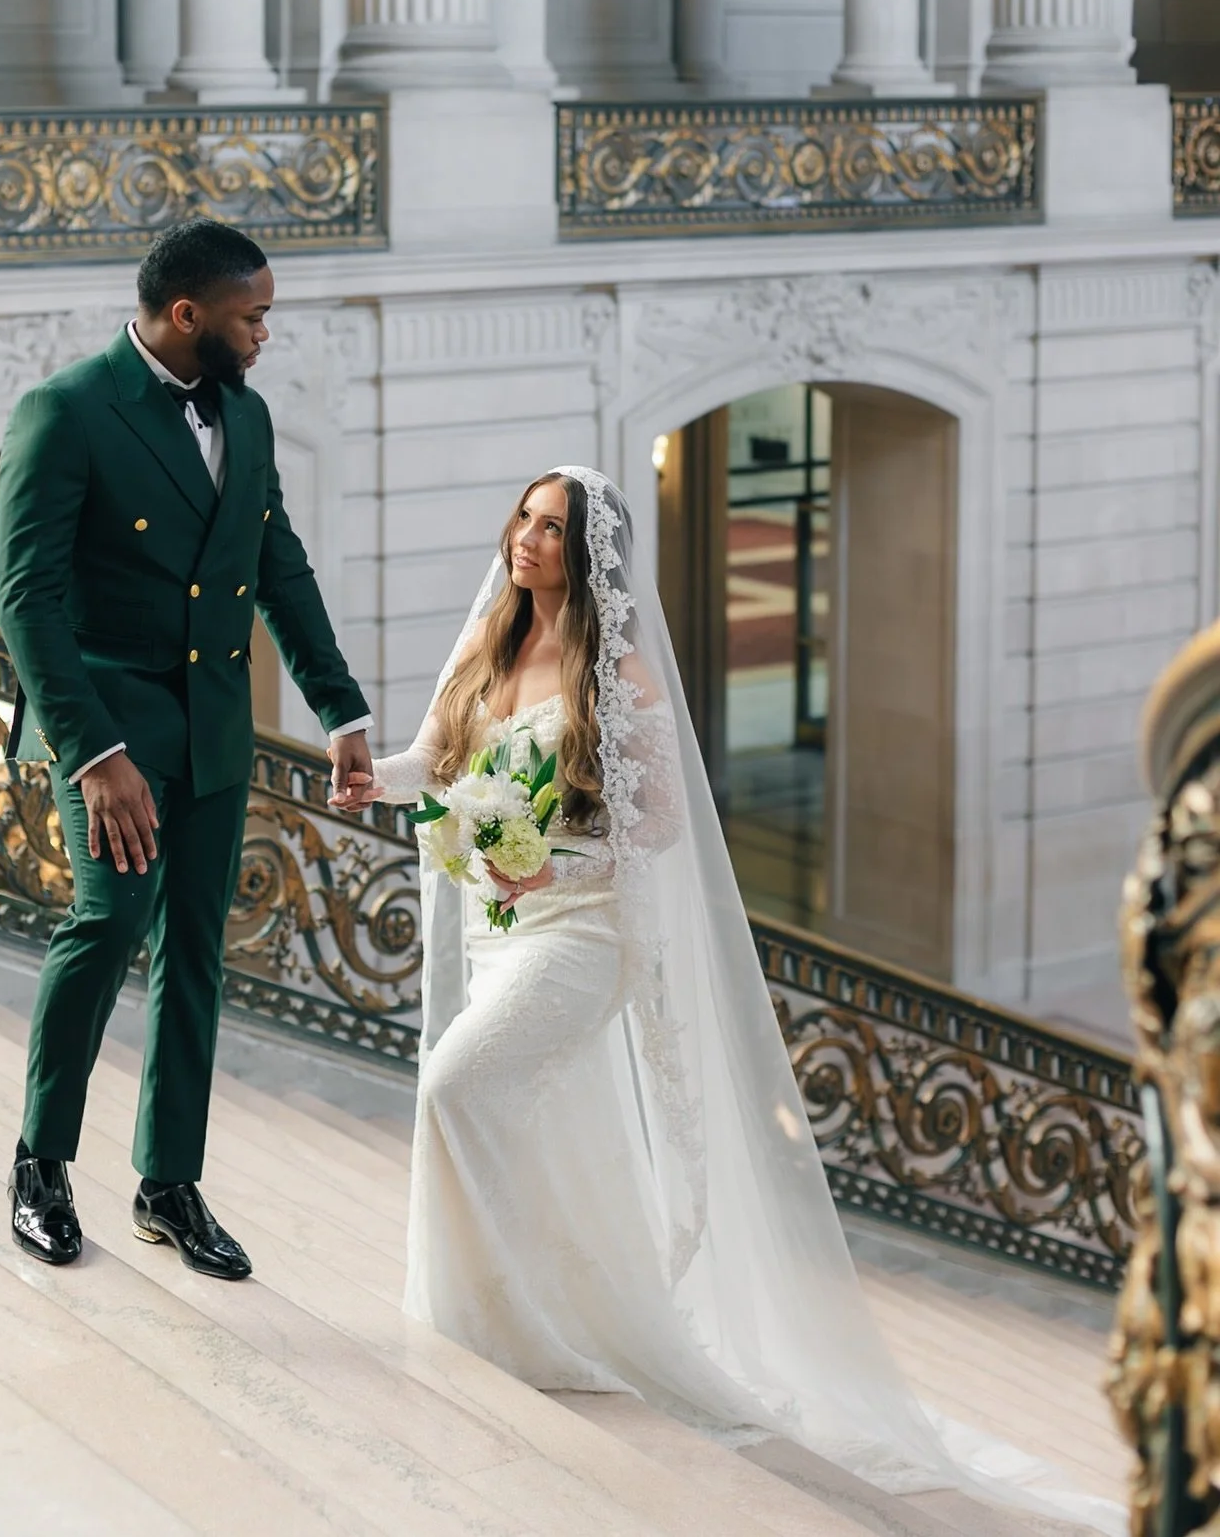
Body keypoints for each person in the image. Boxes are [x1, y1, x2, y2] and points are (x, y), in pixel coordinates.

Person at [335, 464, 1122, 1536]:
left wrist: (547, 870)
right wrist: (365, 777)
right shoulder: (487, 645)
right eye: (525, 519)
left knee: (455, 1087)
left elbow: (651, 830)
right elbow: (433, 761)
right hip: (498, 927)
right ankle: (527, 1311)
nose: (527, 540)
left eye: (554, 529)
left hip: (583, 932)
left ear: (592, 552)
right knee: (535, 1124)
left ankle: (518, 1325)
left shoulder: (617, 676)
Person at [0, 217, 374, 1277]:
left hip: (212, 727)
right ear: (185, 313)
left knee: (196, 954)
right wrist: (93, 752)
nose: (265, 335)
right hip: (106, 730)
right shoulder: (66, 411)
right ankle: (40, 1163)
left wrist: (338, 710)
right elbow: (27, 602)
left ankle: (167, 1185)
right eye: (253, 317)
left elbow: (278, 567)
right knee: (108, 923)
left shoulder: (244, 418)